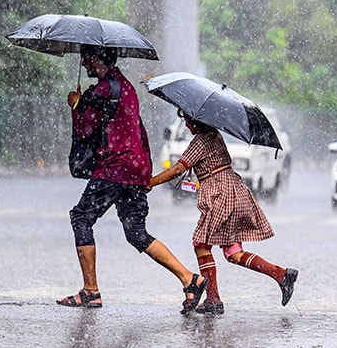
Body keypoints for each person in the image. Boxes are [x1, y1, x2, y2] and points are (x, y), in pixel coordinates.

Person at [57, 46, 207, 314]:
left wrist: (75, 105)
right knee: (136, 232)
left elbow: (84, 129)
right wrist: (144, 170)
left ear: (95, 60)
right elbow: (138, 128)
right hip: (135, 169)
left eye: (86, 58)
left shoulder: (101, 90)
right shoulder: (126, 88)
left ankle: (90, 292)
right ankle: (189, 278)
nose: (83, 63)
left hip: (114, 168)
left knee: (81, 218)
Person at [149, 112, 298, 314]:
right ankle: (281, 275)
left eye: (187, 120)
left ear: (196, 121)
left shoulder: (201, 140)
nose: (185, 124)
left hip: (222, 195)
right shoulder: (214, 135)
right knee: (233, 253)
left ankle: (213, 299)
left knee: (201, 244)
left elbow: (177, 169)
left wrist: (150, 182)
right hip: (234, 190)